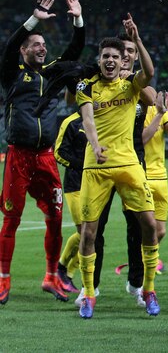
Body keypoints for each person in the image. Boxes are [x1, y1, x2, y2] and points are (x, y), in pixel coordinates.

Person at [0, 0, 84, 304]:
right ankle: (3, 279)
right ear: (23, 51)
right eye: (35, 44)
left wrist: (77, 19)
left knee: (54, 216)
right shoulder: (11, 75)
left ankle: (51, 276)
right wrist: (35, 18)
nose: (42, 47)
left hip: (46, 159)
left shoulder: (52, 74)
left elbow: (75, 50)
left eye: (43, 45)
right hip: (19, 157)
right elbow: (8, 47)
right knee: (12, 218)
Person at [75, 15, 160, 319]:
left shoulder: (130, 86)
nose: (110, 60)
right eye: (105, 56)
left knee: (149, 225)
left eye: (115, 56)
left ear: (122, 59)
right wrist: (95, 145)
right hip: (94, 166)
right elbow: (87, 119)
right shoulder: (87, 87)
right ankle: (87, 294)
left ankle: (148, 289)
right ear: (99, 61)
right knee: (89, 232)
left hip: (128, 164)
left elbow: (149, 72)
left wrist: (137, 39)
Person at [142, 88, 168, 262]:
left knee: (160, 231)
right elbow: (142, 140)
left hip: (161, 176)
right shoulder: (134, 111)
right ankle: (144, 264)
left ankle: (146, 259)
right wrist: (159, 114)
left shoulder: (160, 110)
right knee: (146, 227)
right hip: (142, 175)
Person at [54, 111, 86, 295]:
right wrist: (80, 165)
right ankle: (65, 271)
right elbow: (59, 153)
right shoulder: (71, 122)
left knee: (90, 233)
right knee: (85, 233)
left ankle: (63, 271)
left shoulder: (101, 116)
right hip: (75, 184)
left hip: (95, 184)